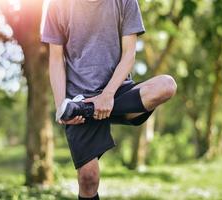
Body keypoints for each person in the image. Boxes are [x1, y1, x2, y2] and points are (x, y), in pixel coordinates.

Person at [41, 0, 177, 199]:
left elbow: (129, 54)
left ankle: (88, 109)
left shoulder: (126, 2)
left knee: (167, 85)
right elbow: (55, 59)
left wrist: (107, 95)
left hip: (117, 91)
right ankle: (83, 108)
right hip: (78, 97)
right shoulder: (58, 5)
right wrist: (62, 106)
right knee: (88, 179)